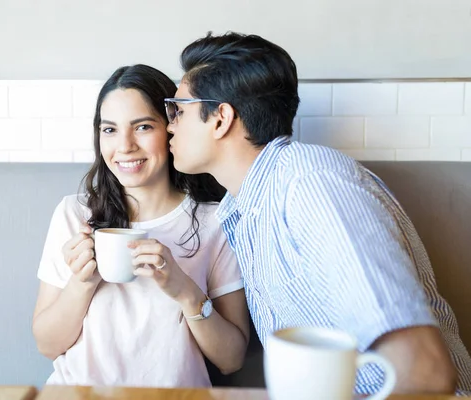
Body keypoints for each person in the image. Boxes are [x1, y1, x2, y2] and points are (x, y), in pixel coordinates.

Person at [165, 32, 471, 395]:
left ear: (220, 119)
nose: (170, 124)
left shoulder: (309, 184)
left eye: (179, 110)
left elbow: (424, 370)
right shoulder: (244, 208)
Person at [32, 64, 249, 387]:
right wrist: (82, 283)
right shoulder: (74, 214)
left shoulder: (214, 221)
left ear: (171, 128)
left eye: (143, 127)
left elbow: (231, 360)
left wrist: (185, 291)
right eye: (110, 130)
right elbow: (48, 345)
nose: (125, 146)